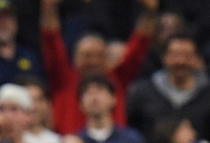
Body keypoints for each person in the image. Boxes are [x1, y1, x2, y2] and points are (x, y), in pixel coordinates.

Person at [39, 0, 156, 135]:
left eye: (99, 56)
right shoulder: (63, 79)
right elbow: (50, 40)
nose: (93, 62)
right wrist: (49, 9)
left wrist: (150, 12)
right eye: (87, 56)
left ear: (108, 59)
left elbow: (140, 46)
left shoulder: (117, 79)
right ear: (75, 59)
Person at [126, 35, 210, 143]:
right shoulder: (142, 93)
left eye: (187, 55)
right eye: (175, 55)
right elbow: (131, 136)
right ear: (164, 57)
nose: (181, 61)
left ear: (195, 59)